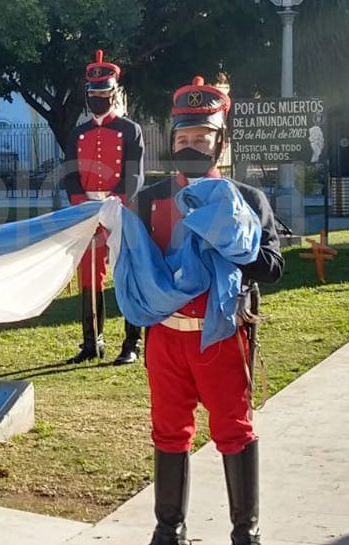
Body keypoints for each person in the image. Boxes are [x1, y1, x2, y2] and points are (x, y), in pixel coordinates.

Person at [138, 76, 283, 545]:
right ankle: (168, 531)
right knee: (168, 432)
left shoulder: (248, 199)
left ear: (220, 143)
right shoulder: (151, 199)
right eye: (183, 139)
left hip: (219, 335)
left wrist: (237, 245)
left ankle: (246, 533)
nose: (191, 146)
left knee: (233, 430)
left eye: (202, 139)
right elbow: (138, 266)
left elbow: (274, 266)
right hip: (165, 336)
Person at [61, 50, 145, 364]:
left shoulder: (129, 130)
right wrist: (84, 207)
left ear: (113, 94)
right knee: (89, 278)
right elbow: (70, 176)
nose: (98, 99)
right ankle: (91, 342)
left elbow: (134, 174)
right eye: (93, 94)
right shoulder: (78, 133)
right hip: (87, 213)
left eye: (103, 94)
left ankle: (131, 343)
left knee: (126, 273)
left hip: (120, 209)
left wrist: (116, 202)